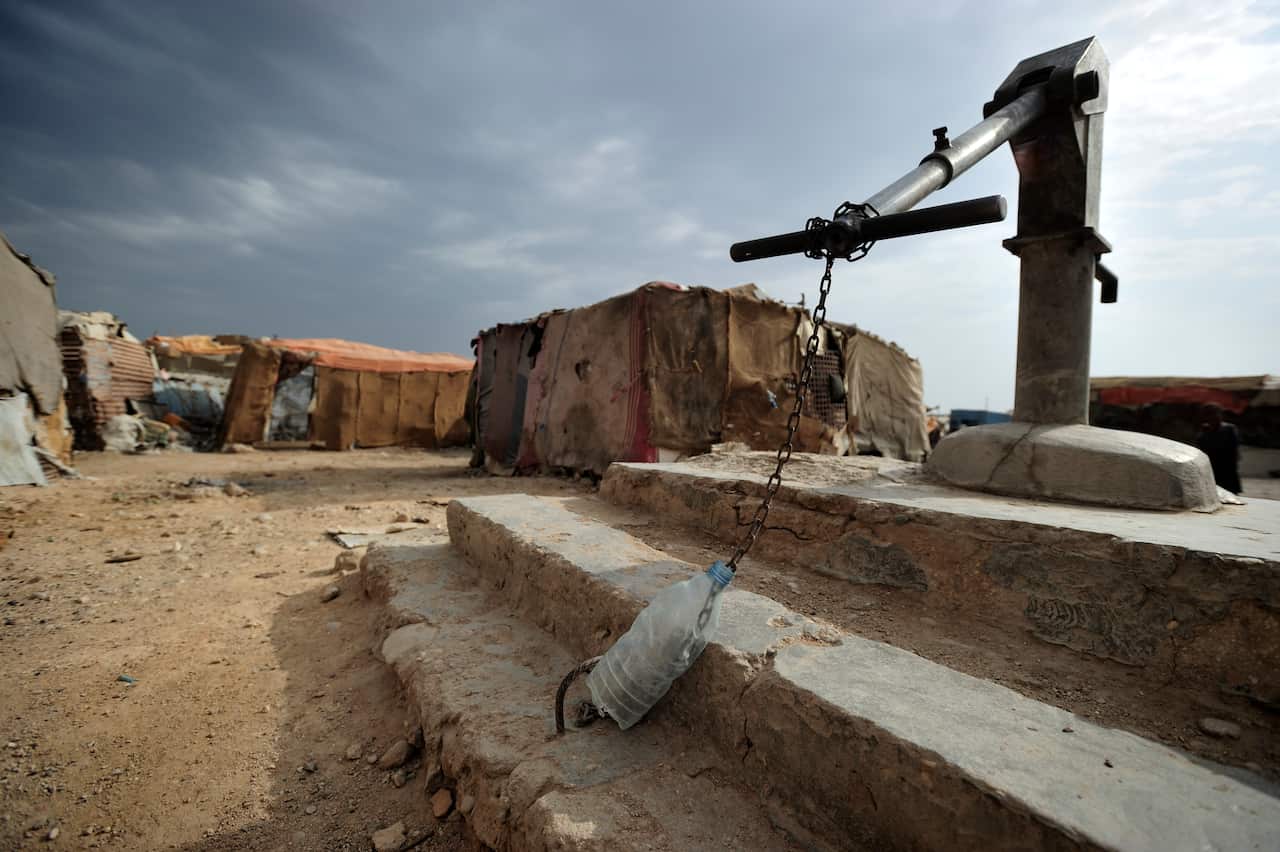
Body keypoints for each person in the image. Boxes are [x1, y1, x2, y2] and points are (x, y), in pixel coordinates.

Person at [1196, 403, 1242, 494]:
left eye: (1215, 414)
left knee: (1230, 495)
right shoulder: (1204, 432)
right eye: (1209, 414)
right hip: (1212, 469)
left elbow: (1234, 450)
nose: (1213, 417)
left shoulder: (1229, 429)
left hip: (1227, 468)